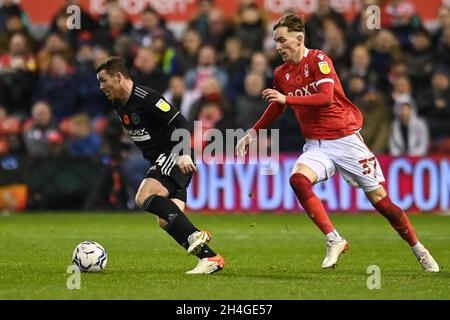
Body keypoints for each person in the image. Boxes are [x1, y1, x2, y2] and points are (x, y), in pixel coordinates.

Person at [236, 14, 439, 272]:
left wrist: (287, 100)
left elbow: (325, 97)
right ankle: (334, 239)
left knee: (382, 202)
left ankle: (419, 249)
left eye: (282, 40)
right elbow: (277, 106)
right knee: (298, 180)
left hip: (345, 140)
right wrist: (253, 132)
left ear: (299, 39)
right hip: (316, 145)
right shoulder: (281, 73)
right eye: (276, 41)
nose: (277, 46)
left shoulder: (319, 60)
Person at [96, 57, 224, 274]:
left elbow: (181, 122)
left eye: (103, 80)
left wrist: (183, 153)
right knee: (166, 220)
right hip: (161, 158)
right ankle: (210, 258)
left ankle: (196, 235)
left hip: (174, 152)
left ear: (118, 77)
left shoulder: (146, 98)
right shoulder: (118, 103)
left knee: (142, 197)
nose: (101, 87)